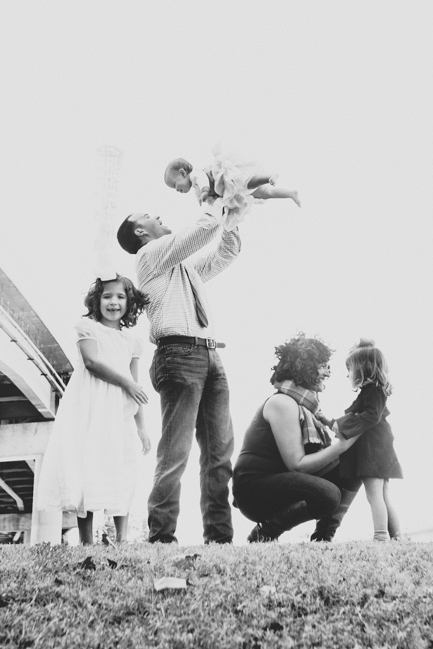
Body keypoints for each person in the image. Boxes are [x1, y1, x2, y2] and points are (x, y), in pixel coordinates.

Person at [117, 203, 246, 543]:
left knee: (219, 452)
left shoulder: (181, 267)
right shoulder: (149, 256)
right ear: (140, 231)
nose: (156, 215)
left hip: (209, 353)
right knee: (176, 451)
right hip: (178, 353)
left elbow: (226, 252)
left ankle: (219, 536)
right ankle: (161, 535)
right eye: (146, 214)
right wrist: (216, 198)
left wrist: (231, 219)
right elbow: (202, 232)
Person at [33, 276, 154, 544]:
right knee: (87, 467)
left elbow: (135, 386)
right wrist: (125, 382)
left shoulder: (132, 342)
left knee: (121, 467)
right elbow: (91, 362)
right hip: (89, 408)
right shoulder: (87, 328)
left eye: (121, 297)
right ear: (96, 300)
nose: (114, 302)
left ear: (129, 303)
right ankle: (86, 540)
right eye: (107, 296)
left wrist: (142, 426)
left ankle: (122, 539)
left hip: (118, 412)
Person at [231, 333, 362, 542]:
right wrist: (341, 446)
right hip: (254, 491)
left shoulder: (304, 407)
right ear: (306, 367)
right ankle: (264, 534)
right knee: (329, 494)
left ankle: (323, 537)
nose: (328, 372)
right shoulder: (282, 403)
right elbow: (297, 465)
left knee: (357, 459)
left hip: (283, 483)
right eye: (323, 365)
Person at [333, 338, 404, 541]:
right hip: (380, 447)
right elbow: (358, 414)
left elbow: (370, 416)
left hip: (373, 450)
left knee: (374, 495)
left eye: (350, 369)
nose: (348, 374)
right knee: (382, 495)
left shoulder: (373, 391)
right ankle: (398, 538)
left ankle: (381, 537)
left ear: (363, 369)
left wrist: (344, 424)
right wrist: (334, 422)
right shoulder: (374, 390)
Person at [164, 144, 300, 210]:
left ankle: (268, 177)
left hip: (227, 180)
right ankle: (290, 193)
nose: (177, 190)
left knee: (247, 183)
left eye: (176, 185)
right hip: (231, 191)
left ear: (183, 173)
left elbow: (202, 180)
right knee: (265, 193)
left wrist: (205, 191)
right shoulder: (196, 190)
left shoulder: (195, 175)